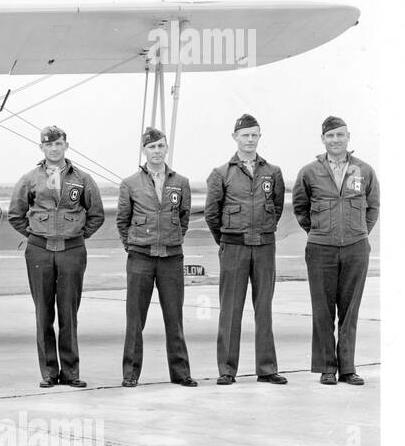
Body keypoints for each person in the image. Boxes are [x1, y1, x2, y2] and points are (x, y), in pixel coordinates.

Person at [7, 125, 104, 388]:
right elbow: (15, 214)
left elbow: (96, 214)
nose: (54, 148)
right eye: (48, 144)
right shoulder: (30, 179)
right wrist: (36, 235)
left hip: (71, 250)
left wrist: (77, 235)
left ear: (66, 146)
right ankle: (49, 371)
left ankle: (71, 372)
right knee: (43, 312)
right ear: (42, 147)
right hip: (40, 251)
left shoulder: (82, 179)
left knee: (69, 313)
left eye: (58, 143)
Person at [292, 116, 379, 386]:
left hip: (355, 248)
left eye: (340, 135)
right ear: (323, 140)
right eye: (330, 136)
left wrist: (357, 232)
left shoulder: (364, 170)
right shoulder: (309, 172)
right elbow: (300, 207)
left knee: (350, 311)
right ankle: (327, 367)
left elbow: (373, 207)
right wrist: (319, 232)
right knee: (322, 310)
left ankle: (348, 369)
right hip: (321, 249)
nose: (335, 140)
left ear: (348, 137)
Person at [203, 114, 286, 385]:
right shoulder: (221, 173)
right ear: (235, 138)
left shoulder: (272, 172)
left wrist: (262, 231)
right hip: (234, 246)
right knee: (231, 309)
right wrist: (227, 240)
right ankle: (227, 370)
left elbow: (276, 206)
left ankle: (267, 369)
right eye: (244, 135)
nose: (249, 140)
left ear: (259, 137)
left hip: (263, 246)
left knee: (264, 308)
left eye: (254, 135)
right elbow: (212, 214)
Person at [116, 128, 197, 387]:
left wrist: (172, 238)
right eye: (151, 147)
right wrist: (135, 246)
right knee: (135, 319)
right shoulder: (130, 184)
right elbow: (122, 221)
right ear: (144, 151)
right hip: (141, 257)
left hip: (171, 258)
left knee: (174, 317)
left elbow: (183, 218)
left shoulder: (180, 182)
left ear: (166, 149)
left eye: (161, 146)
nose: (157, 151)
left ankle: (181, 373)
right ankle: (130, 374)